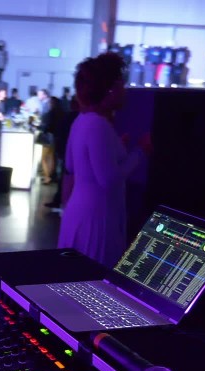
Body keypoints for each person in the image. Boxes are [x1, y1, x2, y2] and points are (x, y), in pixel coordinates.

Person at [58, 53, 149, 266]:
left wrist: (117, 150)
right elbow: (108, 179)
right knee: (94, 273)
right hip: (97, 215)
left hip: (80, 210)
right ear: (110, 89)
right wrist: (140, 152)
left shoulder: (81, 121)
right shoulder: (99, 125)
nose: (125, 91)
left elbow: (72, 165)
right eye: (121, 85)